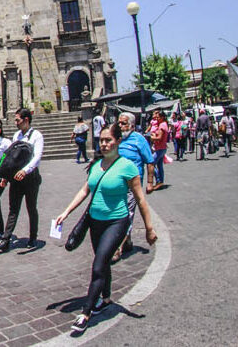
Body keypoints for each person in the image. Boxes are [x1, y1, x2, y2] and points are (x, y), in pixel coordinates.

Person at [55, 122, 158, 334]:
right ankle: (107, 298)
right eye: (101, 140)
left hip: (116, 222)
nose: (104, 144)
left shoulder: (127, 166)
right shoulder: (96, 165)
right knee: (103, 264)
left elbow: (140, 200)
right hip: (95, 221)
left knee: (98, 264)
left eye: (108, 140)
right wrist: (66, 212)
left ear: (118, 141)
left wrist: (149, 229)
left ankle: (85, 313)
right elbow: (84, 191)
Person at [0, 108, 43, 252]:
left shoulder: (36, 136)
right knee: (13, 209)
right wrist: (5, 177)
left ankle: (33, 237)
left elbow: (37, 157)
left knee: (31, 208)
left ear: (26, 120)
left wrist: (25, 170)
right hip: (16, 179)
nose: (15, 123)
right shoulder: (16, 136)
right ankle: (5, 240)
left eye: (17, 120)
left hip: (31, 178)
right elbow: (10, 159)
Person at [114, 112, 155, 259]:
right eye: (119, 122)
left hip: (133, 184)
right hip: (117, 183)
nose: (120, 125)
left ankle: (117, 247)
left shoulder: (139, 140)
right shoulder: (117, 139)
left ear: (131, 125)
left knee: (127, 213)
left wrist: (150, 183)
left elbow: (150, 161)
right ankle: (127, 240)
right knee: (118, 212)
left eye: (123, 123)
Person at [147, 109, 169, 187]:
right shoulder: (164, 124)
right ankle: (160, 181)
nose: (157, 119)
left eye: (158, 117)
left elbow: (159, 137)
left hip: (160, 148)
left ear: (162, 117)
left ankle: (159, 180)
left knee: (151, 164)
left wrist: (152, 137)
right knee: (159, 166)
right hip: (161, 147)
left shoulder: (162, 125)